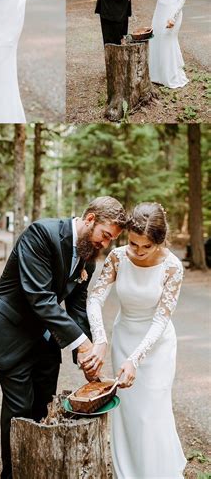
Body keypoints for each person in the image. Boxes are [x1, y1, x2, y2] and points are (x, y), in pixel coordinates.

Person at [0, 197, 127, 479]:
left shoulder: (87, 258)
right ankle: (13, 474)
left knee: (45, 406)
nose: (105, 244)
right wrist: (82, 343)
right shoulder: (41, 234)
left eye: (111, 240)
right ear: (90, 219)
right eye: (105, 235)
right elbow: (40, 298)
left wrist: (86, 357)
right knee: (20, 410)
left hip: (46, 340)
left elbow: (78, 308)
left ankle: (37, 470)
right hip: (12, 333)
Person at [85, 202, 186, 478]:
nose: (139, 252)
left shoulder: (172, 267)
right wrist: (101, 338)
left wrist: (136, 359)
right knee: (128, 412)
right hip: (123, 339)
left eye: (146, 247)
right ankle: (127, 473)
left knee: (151, 412)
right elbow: (94, 299)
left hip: (157, 346)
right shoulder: (117, 258)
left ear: (159, 242)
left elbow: (161, 319)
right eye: (133, 244)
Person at [148, 0, 189, 88]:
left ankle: (170, 76)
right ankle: (156, 75)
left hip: (173, 10)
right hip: (160, 9)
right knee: (156, 39)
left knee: (167, 39)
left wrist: (173, 17)